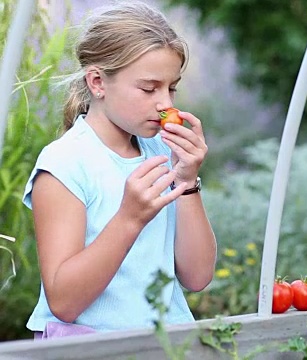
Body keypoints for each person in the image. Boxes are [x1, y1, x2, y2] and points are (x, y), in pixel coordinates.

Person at [22, 1, 217, 338]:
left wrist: (187, 182)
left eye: (172, 88)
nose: (166, 105)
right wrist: (130, 218)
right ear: (98, 82)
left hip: (168, 342)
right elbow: (64, 302)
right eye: (148, 88)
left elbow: (198, 276)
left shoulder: (160, 151)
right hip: (90, 347)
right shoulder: (65, 165)